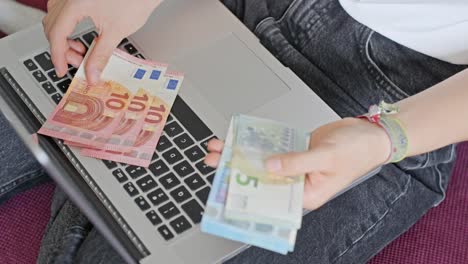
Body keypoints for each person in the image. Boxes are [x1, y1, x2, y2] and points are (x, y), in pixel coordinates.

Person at [0, 0, 467, 263]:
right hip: (225, 8)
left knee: (157, 241)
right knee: (29, 83)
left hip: (391, 100)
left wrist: (386, 135)